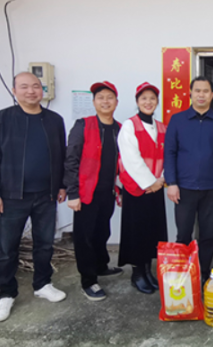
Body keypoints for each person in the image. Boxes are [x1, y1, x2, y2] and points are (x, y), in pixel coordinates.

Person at [0, 72, 67, 322]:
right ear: (14, 90)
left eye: (35, 86)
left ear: (42, 90)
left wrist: (62, 185)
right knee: (8, 249)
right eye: (24, 87)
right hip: (11, 196)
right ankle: (6, 293)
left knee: (45, 244)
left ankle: (42, 285)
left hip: (46, 196)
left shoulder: (54, 120)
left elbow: (61, 155)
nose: (31, 91)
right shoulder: (1, 119)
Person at [164, 76, 213, 282]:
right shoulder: (178, 120)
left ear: (212, 95)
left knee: (207, 235)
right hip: (183, 188)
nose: (201, 95)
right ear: (190, 93)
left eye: (205, 91)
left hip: (212, 189)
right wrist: (172, 183)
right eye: (197, 91)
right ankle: (183, 275)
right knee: (183, 234)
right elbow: (170, 153)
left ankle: (203, 275)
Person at [64, 81, 123, 302]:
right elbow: (71, 160)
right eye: (101, 97)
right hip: (85, 193)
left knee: (102, 232)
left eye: (110, 97)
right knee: (84, 237)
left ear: (116, 102)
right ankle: (88, 281)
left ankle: (101, 266)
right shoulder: (83, 125)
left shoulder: (119, 128)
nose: (105, 101)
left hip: (107, 192)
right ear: (94, 102)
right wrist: (73, 193)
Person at [117, 82, 168, 294]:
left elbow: (168, 157)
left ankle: (148, 271)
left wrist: (162, 180)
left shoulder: (162, 126)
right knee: (137, 232)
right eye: (144, 98)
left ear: (157, 102)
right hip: (137, 189)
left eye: (152, 98)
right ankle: (137, 273)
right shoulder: (129, 126)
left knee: (152, 231)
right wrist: (150, 182)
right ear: (137, 102)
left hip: (156, 188)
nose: (148, 102)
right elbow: (131, 159)